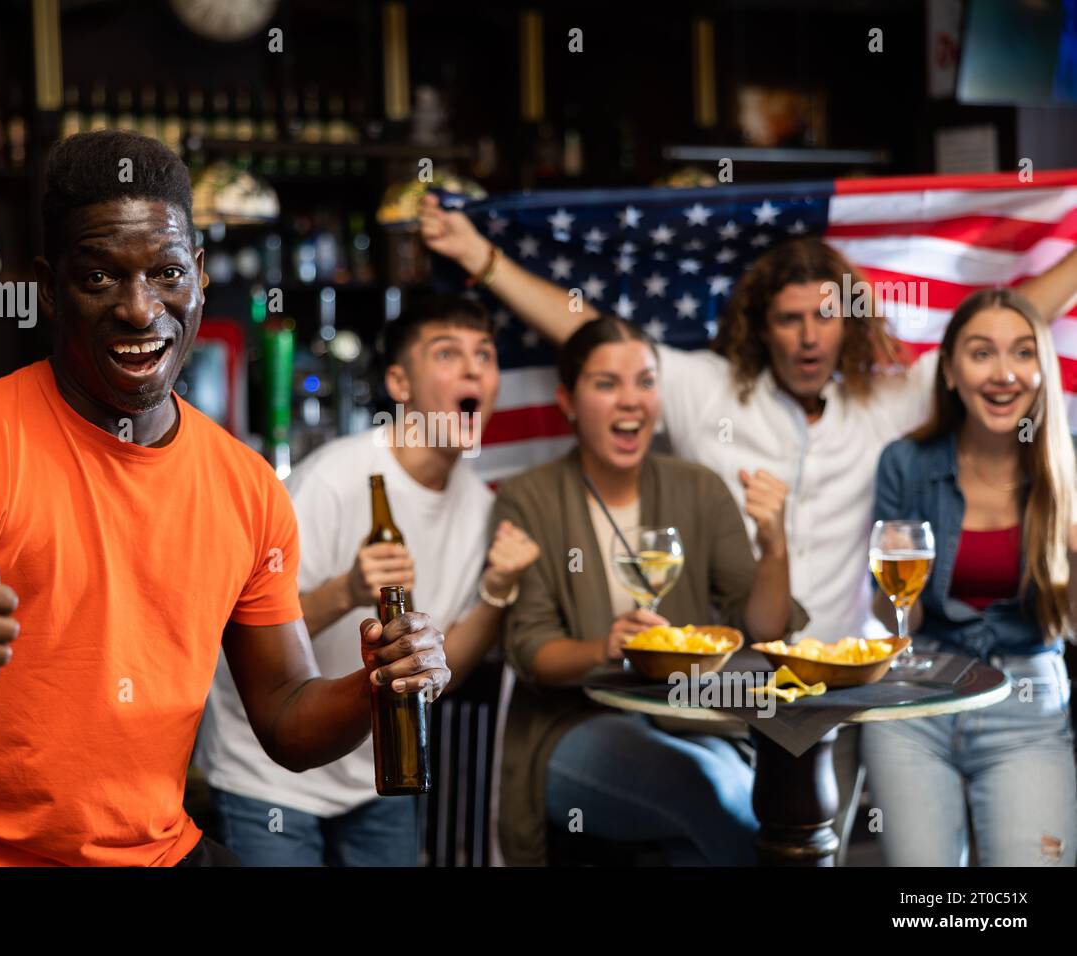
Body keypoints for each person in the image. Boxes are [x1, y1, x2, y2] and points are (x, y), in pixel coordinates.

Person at [0, 130, 451, 867]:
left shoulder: (246, 485)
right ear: (46, 287)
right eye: (99, 278)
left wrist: (376, 684)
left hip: (154, 854)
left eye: (165, 273)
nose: (139, 309)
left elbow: (287, 718)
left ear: (197, 273)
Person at [421, 195, 1077, 856]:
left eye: (825, 316)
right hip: (735, 699)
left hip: (846, 694)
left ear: (850, 323)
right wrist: (482, 257)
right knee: (747, 839)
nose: (809, 336)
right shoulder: (710, 393)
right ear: (761, 328)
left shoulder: (891, 400)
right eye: (789, 319)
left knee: (819, 853)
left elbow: (1002, 333)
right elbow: (593, 339)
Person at [200, 294, 539, 866]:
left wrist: (498, 592)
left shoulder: (484, 510)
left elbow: (437, 671)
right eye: (448, 353)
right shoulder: (335, 478)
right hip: (269, 775)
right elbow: (239, 629)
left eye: (485, 354)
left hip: (377, 776)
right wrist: (347, 590)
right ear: (400, 384)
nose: (474, 368)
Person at [492, 314, 808, 866]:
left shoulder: (699, 487)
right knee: (707, 792)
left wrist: (775, 549)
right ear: (568, 399)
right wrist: (608, 647)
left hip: (692, 719)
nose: (631, 401)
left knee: (737, 806)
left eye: (645, 381)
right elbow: (534, 654)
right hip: (571, 729)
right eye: (606, 384)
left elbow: (763, 628)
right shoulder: (529, 498)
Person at [865, 287, 1077, 866]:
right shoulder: (904, 464)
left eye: (1022, 353)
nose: (1004, 373)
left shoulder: (1070, 464)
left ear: (1042, 371)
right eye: (981, 353)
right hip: (916, 700)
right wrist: (894, 597)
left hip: (1026, 706)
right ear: (951, 372)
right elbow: (890, 619)